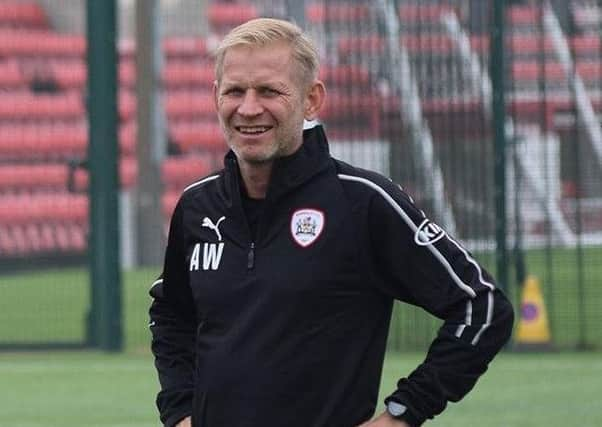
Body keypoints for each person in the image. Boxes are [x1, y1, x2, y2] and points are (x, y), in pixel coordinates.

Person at [149, 18, 514, 427]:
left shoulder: (364, 202)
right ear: (217, 97)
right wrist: (179, 409)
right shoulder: (197, 206)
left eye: (270, 91)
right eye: (235, 91)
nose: (249, 108)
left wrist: (402, 413)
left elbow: (481, 306)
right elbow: (171, 315)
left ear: (311, 100)